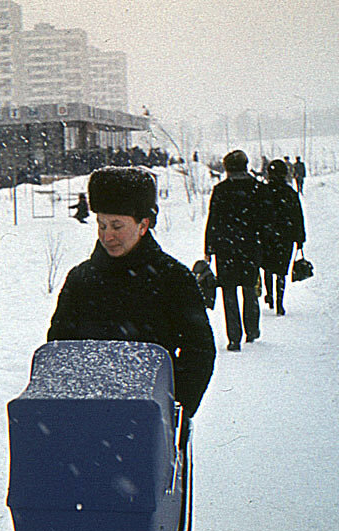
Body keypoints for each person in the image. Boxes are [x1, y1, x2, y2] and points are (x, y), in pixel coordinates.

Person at [48, 166, 215, 428]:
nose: (107, 235)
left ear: (143, 225)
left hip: (151, 422)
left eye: (117, 226)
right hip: (88, 421)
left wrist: (173, 410)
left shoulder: (173, 279)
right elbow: (59, 348)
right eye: (101, 225)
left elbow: (199, 351)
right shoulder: (81, 280)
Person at [204, 150, 263, 352]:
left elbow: (213, 220)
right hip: (250, 247)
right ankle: (252, 329)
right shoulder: (257, 188)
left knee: (229, 292)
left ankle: (234, 338)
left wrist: (209, 248)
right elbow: (266, 221)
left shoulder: (221, 190)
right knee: (249, 288)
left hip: (225, 248)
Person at [258, 159, 306, 316]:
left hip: (267, 236)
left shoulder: (262, 191)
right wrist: (300, 239)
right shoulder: (290, 193)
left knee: (267, 268)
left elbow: (256, 215)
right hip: (286, 238)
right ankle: (279, 303)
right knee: (281, 271)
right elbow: (298, 217)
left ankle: (270, 296)